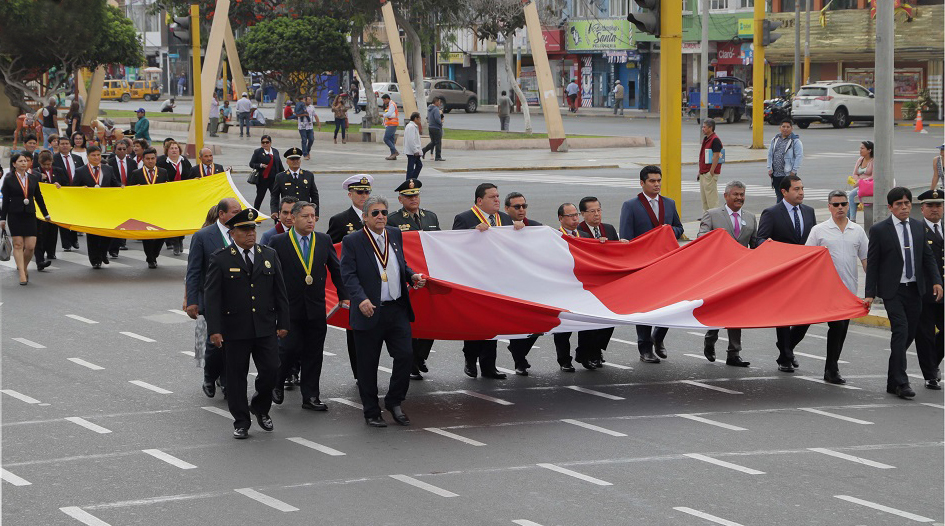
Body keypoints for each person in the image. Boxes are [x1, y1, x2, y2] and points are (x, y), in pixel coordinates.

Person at [340, 195, 427, 427]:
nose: (381, 216)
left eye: (384, 212)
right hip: (369, 311)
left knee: (406, 356)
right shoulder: (353, 241)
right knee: (367, 365)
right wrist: (361, 299)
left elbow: (400, 263)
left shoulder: (394, 233)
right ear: (365, 217)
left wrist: (412, 275)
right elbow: (347, 275)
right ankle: (371, 411)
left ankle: (394, 400)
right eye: (375, 213)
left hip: (396, 308)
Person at [205, 208, 289, 439]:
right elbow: (212, 298)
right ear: (233, 233)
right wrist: (215, 330)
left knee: (272, 370)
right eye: (244, 229)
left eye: (253, 228)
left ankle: (260, 408)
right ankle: (241, 421)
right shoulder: (220, 258)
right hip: (235, 329)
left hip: (264, 327)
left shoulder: (268, 254)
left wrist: (283, 322)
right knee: (235, 377)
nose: (250, 233)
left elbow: (280, 292)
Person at [865, 187, 944, 399]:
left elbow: (927, 258)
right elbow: (873, 263)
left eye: (907, 203)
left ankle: (893, 379)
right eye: (899, 204)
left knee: (908, 335)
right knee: (900, 331)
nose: (904, 207)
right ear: (890, 207)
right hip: (893, 291)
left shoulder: (918, 228)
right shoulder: (880, 230)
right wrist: (870, 293)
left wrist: (937, 281)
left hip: (915, 290)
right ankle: (902, 381)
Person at [270, 201, 347, 410]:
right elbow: (270, 276)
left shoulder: (323, 240)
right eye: (306, 216)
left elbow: (336, 268)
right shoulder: (278, 242)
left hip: (315, 307)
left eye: (313, 216)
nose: (311, 220)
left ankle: (311, 396)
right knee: (288, 348)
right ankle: (276, 382)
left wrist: (344, 295)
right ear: (293, 219)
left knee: (314, 352)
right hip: (289, 308)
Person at [452, 183, 526, 379]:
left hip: (498, 280)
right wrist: (472, 233)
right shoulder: (464, 218)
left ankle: (488, 366)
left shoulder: (504, 218)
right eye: (492, 197)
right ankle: (470, 358)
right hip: (474, 280)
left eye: (498, 196)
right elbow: (454, 248)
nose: (497, 200)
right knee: (475, 323)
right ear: (479, 201)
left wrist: (520, 229)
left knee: (492, 322)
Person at [619, 165, 684, 363]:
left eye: (659, 180)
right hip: (643, 264)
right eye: (652, 181)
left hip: (666, 262)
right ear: (642, 183)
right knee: (645, 307)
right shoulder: (631, 205)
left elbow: (679, 228)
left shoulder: (669, 203)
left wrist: (668, 230)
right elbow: (626, 237)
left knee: (672, 302)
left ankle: (659, 337)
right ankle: (644, 348)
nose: (657, 184)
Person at [804, 190, 870, 384]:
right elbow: (807, 259)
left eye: (843, 204)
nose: (840, 207)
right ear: (829, 207)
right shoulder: (819, 230)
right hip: (824, 290)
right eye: (836, 204)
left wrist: (872, 289)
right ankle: (787, 349)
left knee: (840, 329)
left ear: (848, 206)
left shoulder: (857, 230)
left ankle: (831, 368)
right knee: (806, 325)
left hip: (848, 291)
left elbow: (866, 259)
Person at [758, 175, 817, 372]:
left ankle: (787, 346)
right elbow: (761, 241)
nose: (801, 193)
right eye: (796, 189)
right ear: (784, 192)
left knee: (809, 314)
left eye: (802, 188)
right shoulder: (772, 213)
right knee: (784, 316)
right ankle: (785, 357)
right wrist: (779, 253)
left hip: (805, 274)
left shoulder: (809, 212)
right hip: (782, 274)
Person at [697, 181, 758, 367]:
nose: (739, 198)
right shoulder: (713, 215)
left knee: (736, 313)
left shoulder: (751, 217)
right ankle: (710, 338)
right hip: (717, 273)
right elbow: (701, 239)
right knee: (718, 311)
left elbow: (755, 245)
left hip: (740, 274)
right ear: (726, 196)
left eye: (742, 194)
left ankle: (734, 353)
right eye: (735, 194)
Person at [186, 198, 240, 399]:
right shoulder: (203, 236)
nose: (238, 215)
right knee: (215, 342)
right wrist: (192, 300)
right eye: (234, 212)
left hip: (237, 297)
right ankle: (210, 376)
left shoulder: (243, 232)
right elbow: (193, 271)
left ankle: (226, 381)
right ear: (221, 214)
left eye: (240, 211)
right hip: (212, 298)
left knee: (233, 342)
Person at [387, 178, 441, 380]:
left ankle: (420, 357)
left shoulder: (431, 217)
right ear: (400, 199)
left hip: (430, 276)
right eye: (409, 196)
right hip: (407, 277)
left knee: (431, 319)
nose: (413, 199)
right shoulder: (393, 220)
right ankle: (411, 361)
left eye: (416, 195)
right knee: (410, 321)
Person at [328, 174, 374, 380]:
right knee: (355, 329)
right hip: (353, 282)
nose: (364, 195)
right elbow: (332, 253)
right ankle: (359, 372)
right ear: (350, 194)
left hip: (375, 281)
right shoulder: (340, 220)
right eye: (359, 192)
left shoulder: (377, 215)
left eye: (367, 192)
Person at [576, 196, 621, 367]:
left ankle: (594, 350)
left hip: (607, 283)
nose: (597, 214)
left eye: (599, 210)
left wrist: (620, 244)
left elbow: (617, 253)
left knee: (609, 320)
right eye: (592, 211)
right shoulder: (579, 231)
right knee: (589, 322)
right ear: (582, 214)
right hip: (587, 284)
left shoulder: (608, 229)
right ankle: (588, 353)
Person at [503, 192, 543, 375]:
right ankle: (519, 360)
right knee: (515, 324)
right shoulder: (499, 227)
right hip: (507, 285)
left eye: (524, 206)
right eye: (517, 207)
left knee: (538, 325)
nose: (521, 210)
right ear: (507, 209)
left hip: (531, 284)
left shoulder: (535, 227)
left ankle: (518, 352)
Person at [553, 203, 594, 372]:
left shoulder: (585, 235)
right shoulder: (554, 237)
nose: (575, 218)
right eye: (570, 216)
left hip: (582, 287)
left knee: (588, 324)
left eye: (576, 215)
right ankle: (564, 360)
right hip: (562, 287)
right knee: (564, 327)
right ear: (561, 219)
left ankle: (584, 355)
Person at [0, 153, 51, 285]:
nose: (23, 163)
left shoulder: (33, 178)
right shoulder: (9, 178)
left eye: (25, 161)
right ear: (14, 164)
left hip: (29, 214)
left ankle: (24, 266)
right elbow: (5, 200)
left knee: (30, 246)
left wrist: (46, 214)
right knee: (18, 244)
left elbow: (39, 197)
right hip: (15, 214)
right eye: (20, 161)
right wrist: (2, 218)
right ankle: (22, 273)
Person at [72, 145, 119, 269]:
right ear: (88, 157)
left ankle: (103, 252)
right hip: (90, 208)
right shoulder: (80, 171)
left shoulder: (108, 169)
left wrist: (123, 187)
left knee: (108, 232)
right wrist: (82, 190)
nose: (96, 157)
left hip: (106, 207)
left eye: (98, 155)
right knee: (92, 235)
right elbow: (73, 188)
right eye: (93, 155)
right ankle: (95, 259)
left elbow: (115, 184)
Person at [915, 189, 944, 390]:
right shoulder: (916, 230)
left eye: (939, 205)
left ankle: (933, 363)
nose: (935, 209)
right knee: (924, 334)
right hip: (924, 291)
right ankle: (930, 375)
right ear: (922, 208)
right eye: (930, 206)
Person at [126, 148, 169, 268]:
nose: (150, 161)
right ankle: (150, 258)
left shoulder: (163, 172)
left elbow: (168, 189)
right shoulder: (137, 173)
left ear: (156, 159)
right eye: (148, 159)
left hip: (159, 208)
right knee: (148, 235)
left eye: (152, 158)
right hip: (144, 209)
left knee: (161, 234)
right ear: (143, 160)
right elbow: (130, 191)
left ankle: (154, 254)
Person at [33, 151, 66, 266]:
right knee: (42, 231)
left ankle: (51, 251)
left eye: (49, 164)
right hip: (41, 205)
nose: (47, 167)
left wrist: (59, 186)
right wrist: (40, 179)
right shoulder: (35, 172)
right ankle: (40, 254)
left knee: (53, 230)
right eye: (44, 165)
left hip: (55, 205)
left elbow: (66, 185)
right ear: (40, 163)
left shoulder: (58, 171)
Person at [269, 147, 318, 219]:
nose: (295, 161)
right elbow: (274, 196)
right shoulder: (280, 177)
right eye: (292, 159)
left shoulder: (308, 175)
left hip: (304, 213)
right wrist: (274, 211)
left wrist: (315, 213)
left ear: (300, 161)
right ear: (287, 161)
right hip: (288, 213)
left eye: (297, 159)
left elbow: (314, 196)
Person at [107, 139, 137, 256]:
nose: (122, 151)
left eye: (124, 149)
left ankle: (122, 241)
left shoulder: (132, 163)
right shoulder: (110, 163)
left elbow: (134, 177)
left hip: (128, 195)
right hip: (115, 195)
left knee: (126, 220)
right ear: (115, 150)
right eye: (119, 149)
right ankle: (114, 248)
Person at [53, 136, 83, 252]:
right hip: (62, 192)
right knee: (63, 218)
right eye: (62, 144)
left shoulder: (77, 158)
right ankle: (66, 243)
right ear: (58, 145)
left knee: (75, 217)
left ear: (70, 145)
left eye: (66, 143)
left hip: (75, 192)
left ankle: (74, 238)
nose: (65, 146)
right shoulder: (54, 159)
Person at [766, 119, 803, 203]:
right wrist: (769, 168)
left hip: (787, 174)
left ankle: (783, 213)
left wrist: (794, 171)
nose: (785, 129)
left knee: (787, 196)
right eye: (783, 127)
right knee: (779, 194)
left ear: (791, 128)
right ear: (780, 128)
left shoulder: (795, 141)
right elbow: (770, 154)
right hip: (775, 174)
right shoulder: (775, 139)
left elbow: (799, 156)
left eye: (788, 127)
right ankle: (780, 212)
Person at [248, 135, 284, 211]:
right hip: (262, 180)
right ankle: (256, 215)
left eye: (267, 142)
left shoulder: (275, 151)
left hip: (274, 180)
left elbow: (279, 164)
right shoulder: (258, 152)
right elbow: (251, 164)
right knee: (260, 197)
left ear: (270, 143)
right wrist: (260, 165)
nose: (265, 144)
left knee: (275, 198)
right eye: (263, 142)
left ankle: (276, 216)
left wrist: (284, 175)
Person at [697, 118, 722, 212]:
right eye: (702, 127)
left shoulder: (715, 140)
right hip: (704, 172)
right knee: (704, 199)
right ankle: (706, 217)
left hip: (709, 173)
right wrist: (700, 171)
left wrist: (711, 171)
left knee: (712, 199)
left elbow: (717, 156)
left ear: (710, 128)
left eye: (704, 127)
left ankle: (714, 218)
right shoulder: (707, 139)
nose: (703, 129)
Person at [847, 141, 874, 222]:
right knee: (850, 199)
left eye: (862, 148)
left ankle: (852, 219)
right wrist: (856, 180)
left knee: (851, 195)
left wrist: (861, 182)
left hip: (869, 185)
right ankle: (846, 219)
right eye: (860, 148)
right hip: (860, 185)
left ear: (869, 150)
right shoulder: (860, 160)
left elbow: (873, 176)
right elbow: (855, 174)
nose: (860, 150)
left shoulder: (874, 161)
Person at [404, 112, 423, 180]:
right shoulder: (411, 127)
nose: (420, 120)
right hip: (412, 152)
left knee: (418, 165)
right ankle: (409, 181)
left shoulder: (413, 126)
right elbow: (411, 140)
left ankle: (412, 180)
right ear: (415, 118)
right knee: (411, 168)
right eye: (419, 118)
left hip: (414, 151)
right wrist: (415, 150)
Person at [381, 94, 399, 160]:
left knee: (386, 138)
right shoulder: (390, 105)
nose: (383, 102)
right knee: (391, 140)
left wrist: (382, 115)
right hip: (390, 124)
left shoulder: (392, 105)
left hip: (392, 124)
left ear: (387, 99)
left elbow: (389, 114)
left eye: (384, 100)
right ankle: (393, 155)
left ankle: (395, 151)